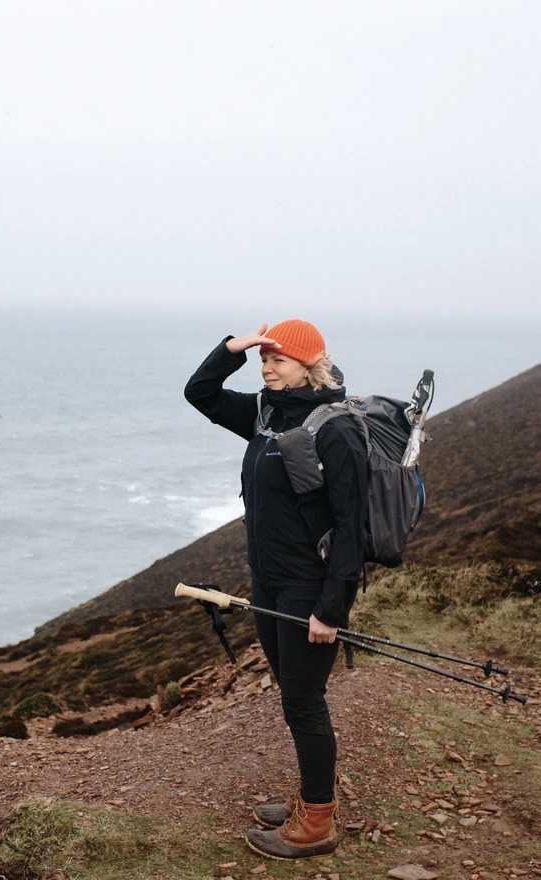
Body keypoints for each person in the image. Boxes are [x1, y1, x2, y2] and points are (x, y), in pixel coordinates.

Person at [184, 318, 368, 860]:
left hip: (309, 589)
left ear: (308, 364)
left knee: (302, 701)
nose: (266, 368)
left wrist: (331, 609)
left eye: (277, 360)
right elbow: (200, 393)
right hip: (267, 581)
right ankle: (313, 796)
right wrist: (232, 349)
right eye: (264, 360)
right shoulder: (265, 414)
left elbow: (351, 526)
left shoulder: (333, 429)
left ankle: (317, 823)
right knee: (296, 695)